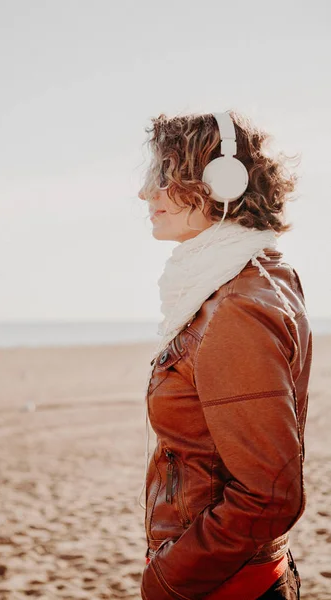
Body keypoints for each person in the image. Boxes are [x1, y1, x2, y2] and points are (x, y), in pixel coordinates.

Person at [137, 110, 312, 599]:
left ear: (223, 182)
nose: (146, 194)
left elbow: (272, 495)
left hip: (224, 585)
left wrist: (169, 576)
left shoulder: (236, 307)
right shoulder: (246, 279)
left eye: (164, 177)